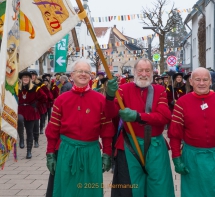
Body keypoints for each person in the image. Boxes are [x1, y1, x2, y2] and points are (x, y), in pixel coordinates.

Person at [105, 58, 175, 197]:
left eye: (147, 70)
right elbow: (110, 114)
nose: (144, 73)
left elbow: (164, 117)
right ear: (134, 72)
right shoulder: (123, 89)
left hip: (154, 147)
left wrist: (139, 117)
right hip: (129, 144)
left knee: (159, 187)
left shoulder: (159, 90)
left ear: (152, 73)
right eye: (140, 70)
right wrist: (109, 96)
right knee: (130, 188)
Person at [45, 59, 115, 197]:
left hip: (91, 153)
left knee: (90, 191)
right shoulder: (61, 99)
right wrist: (50, 153)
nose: (83, 74)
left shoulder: (100, 99)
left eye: (86, 72)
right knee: (66, 191)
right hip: (67, 152)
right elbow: (53, 129)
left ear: (91, 75)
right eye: (79, 71)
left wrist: (107, 153)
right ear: (72, 75)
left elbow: (106, 129)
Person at [168, 67, 215, 197]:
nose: (201, 83)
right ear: (191, 82)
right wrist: (176, 158)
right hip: (192, 158)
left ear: (210, 81)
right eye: (197, 79)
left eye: (205, 80)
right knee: (193, 192)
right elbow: (174, 134)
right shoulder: (182, 102)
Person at [18, 71, 47, 158]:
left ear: (30, 79)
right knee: (19, 119)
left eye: (27, 77)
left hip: (31, 111)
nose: (25, 79)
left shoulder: (35, 88)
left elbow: (44, 98)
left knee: (30, 132)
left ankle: (29, 151)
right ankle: (21, 138)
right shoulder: (17, 88)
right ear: (21, 79)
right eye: (24, 77)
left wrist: (36, 105)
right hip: (20, 110)